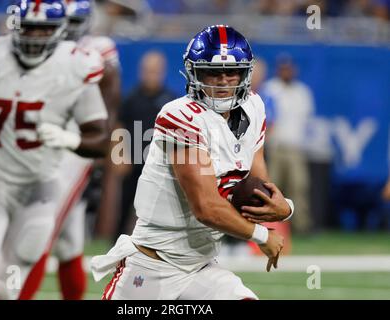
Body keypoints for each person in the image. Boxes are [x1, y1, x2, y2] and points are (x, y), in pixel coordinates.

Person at [90, 25, 294, 300]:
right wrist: (261, 236)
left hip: (200, 265)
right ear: (194, 72)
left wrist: (282, 208)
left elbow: (255, 182)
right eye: (212, 71)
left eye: (230, 72)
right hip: (153, 266)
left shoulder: (254, 107)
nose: (222, 81)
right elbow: (206, 208)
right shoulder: (180, 117)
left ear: (245, 73)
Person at [0, 0, 109, 300]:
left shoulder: (75, 65)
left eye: (43, 30)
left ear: (59, 31)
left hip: (39, 193)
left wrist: (72, 141)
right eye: (29, 28)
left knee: (8, 288)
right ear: (15, 27)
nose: (34, 37)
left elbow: (99, 138)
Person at [18, 0, 121, 300]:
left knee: (40, 227)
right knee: (69, 242)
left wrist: (104, 142)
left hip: (75, 147)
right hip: (43, 142)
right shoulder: (40, 49)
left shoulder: (96, 48)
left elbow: (110, 96)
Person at [116, 50, 176, 241]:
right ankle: (118, 242)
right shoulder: (131, 98)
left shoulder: (171, 100)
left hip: (161, 164)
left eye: (155, 71)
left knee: (163, 207)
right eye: (147, 70)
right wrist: (120, 156)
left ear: (162, 72)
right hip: (134, 161)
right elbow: (119, 126)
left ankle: (159, 242)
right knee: (126, 204)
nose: (151, 75)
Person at [263, 54, 314, 234]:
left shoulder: (302, 92)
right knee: (272, 187)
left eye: (289, 68)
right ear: (278, 70)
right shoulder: (270, 88)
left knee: (298, 186)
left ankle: (301, 226)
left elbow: (307, 121)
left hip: (295, 148)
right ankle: (269, 226)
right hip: (276, 147)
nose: (286, 71)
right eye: (283, 68)